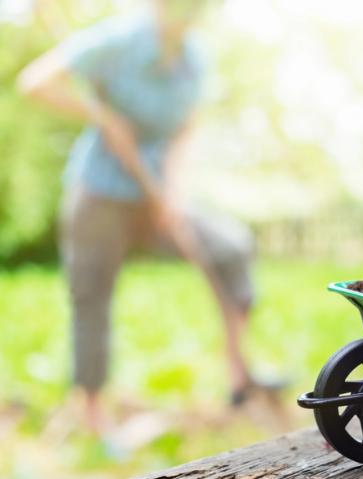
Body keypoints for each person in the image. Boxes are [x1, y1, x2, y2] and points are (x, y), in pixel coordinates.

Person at [19, 0, 269, 433]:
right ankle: (94, 413)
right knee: (91, 294)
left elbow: (185, 129)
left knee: (230, 247)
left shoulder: (194, 60)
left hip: (156, 193)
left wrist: (172, 196)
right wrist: (104, 116)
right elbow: (34, 82)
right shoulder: (117, 40)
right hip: (100, 192)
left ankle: (239, 373)